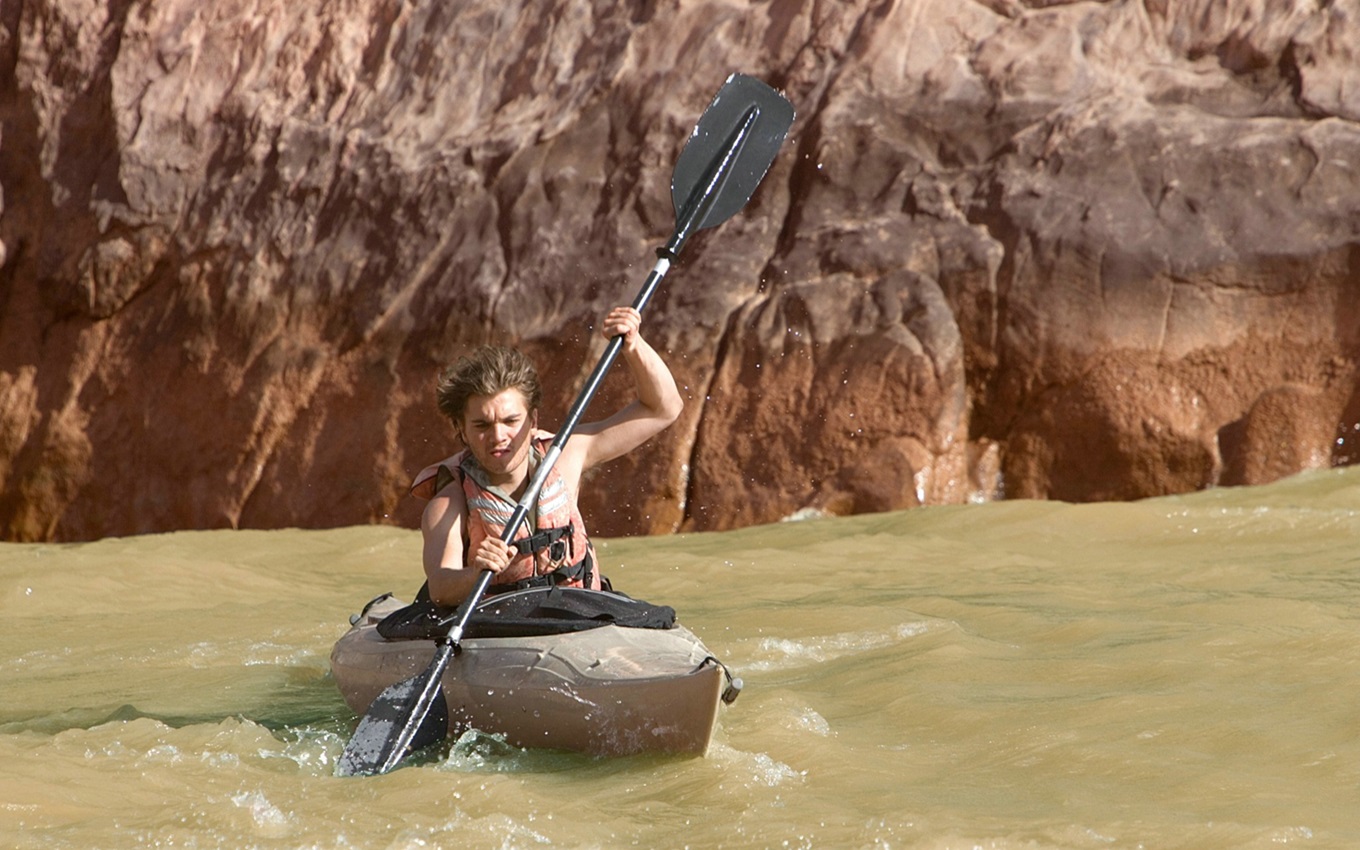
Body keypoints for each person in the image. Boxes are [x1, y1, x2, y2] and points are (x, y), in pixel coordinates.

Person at [409, 306, 682, 608]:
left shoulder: (566, 457)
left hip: (581, 612)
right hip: (497, 626)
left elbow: (663, 409)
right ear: (462, 430)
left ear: (533, 420)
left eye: (511, 421)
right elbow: (440, 586)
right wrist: (475, 574)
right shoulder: (450, 501)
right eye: (482, 425)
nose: (499, 436)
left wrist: (634, 345)